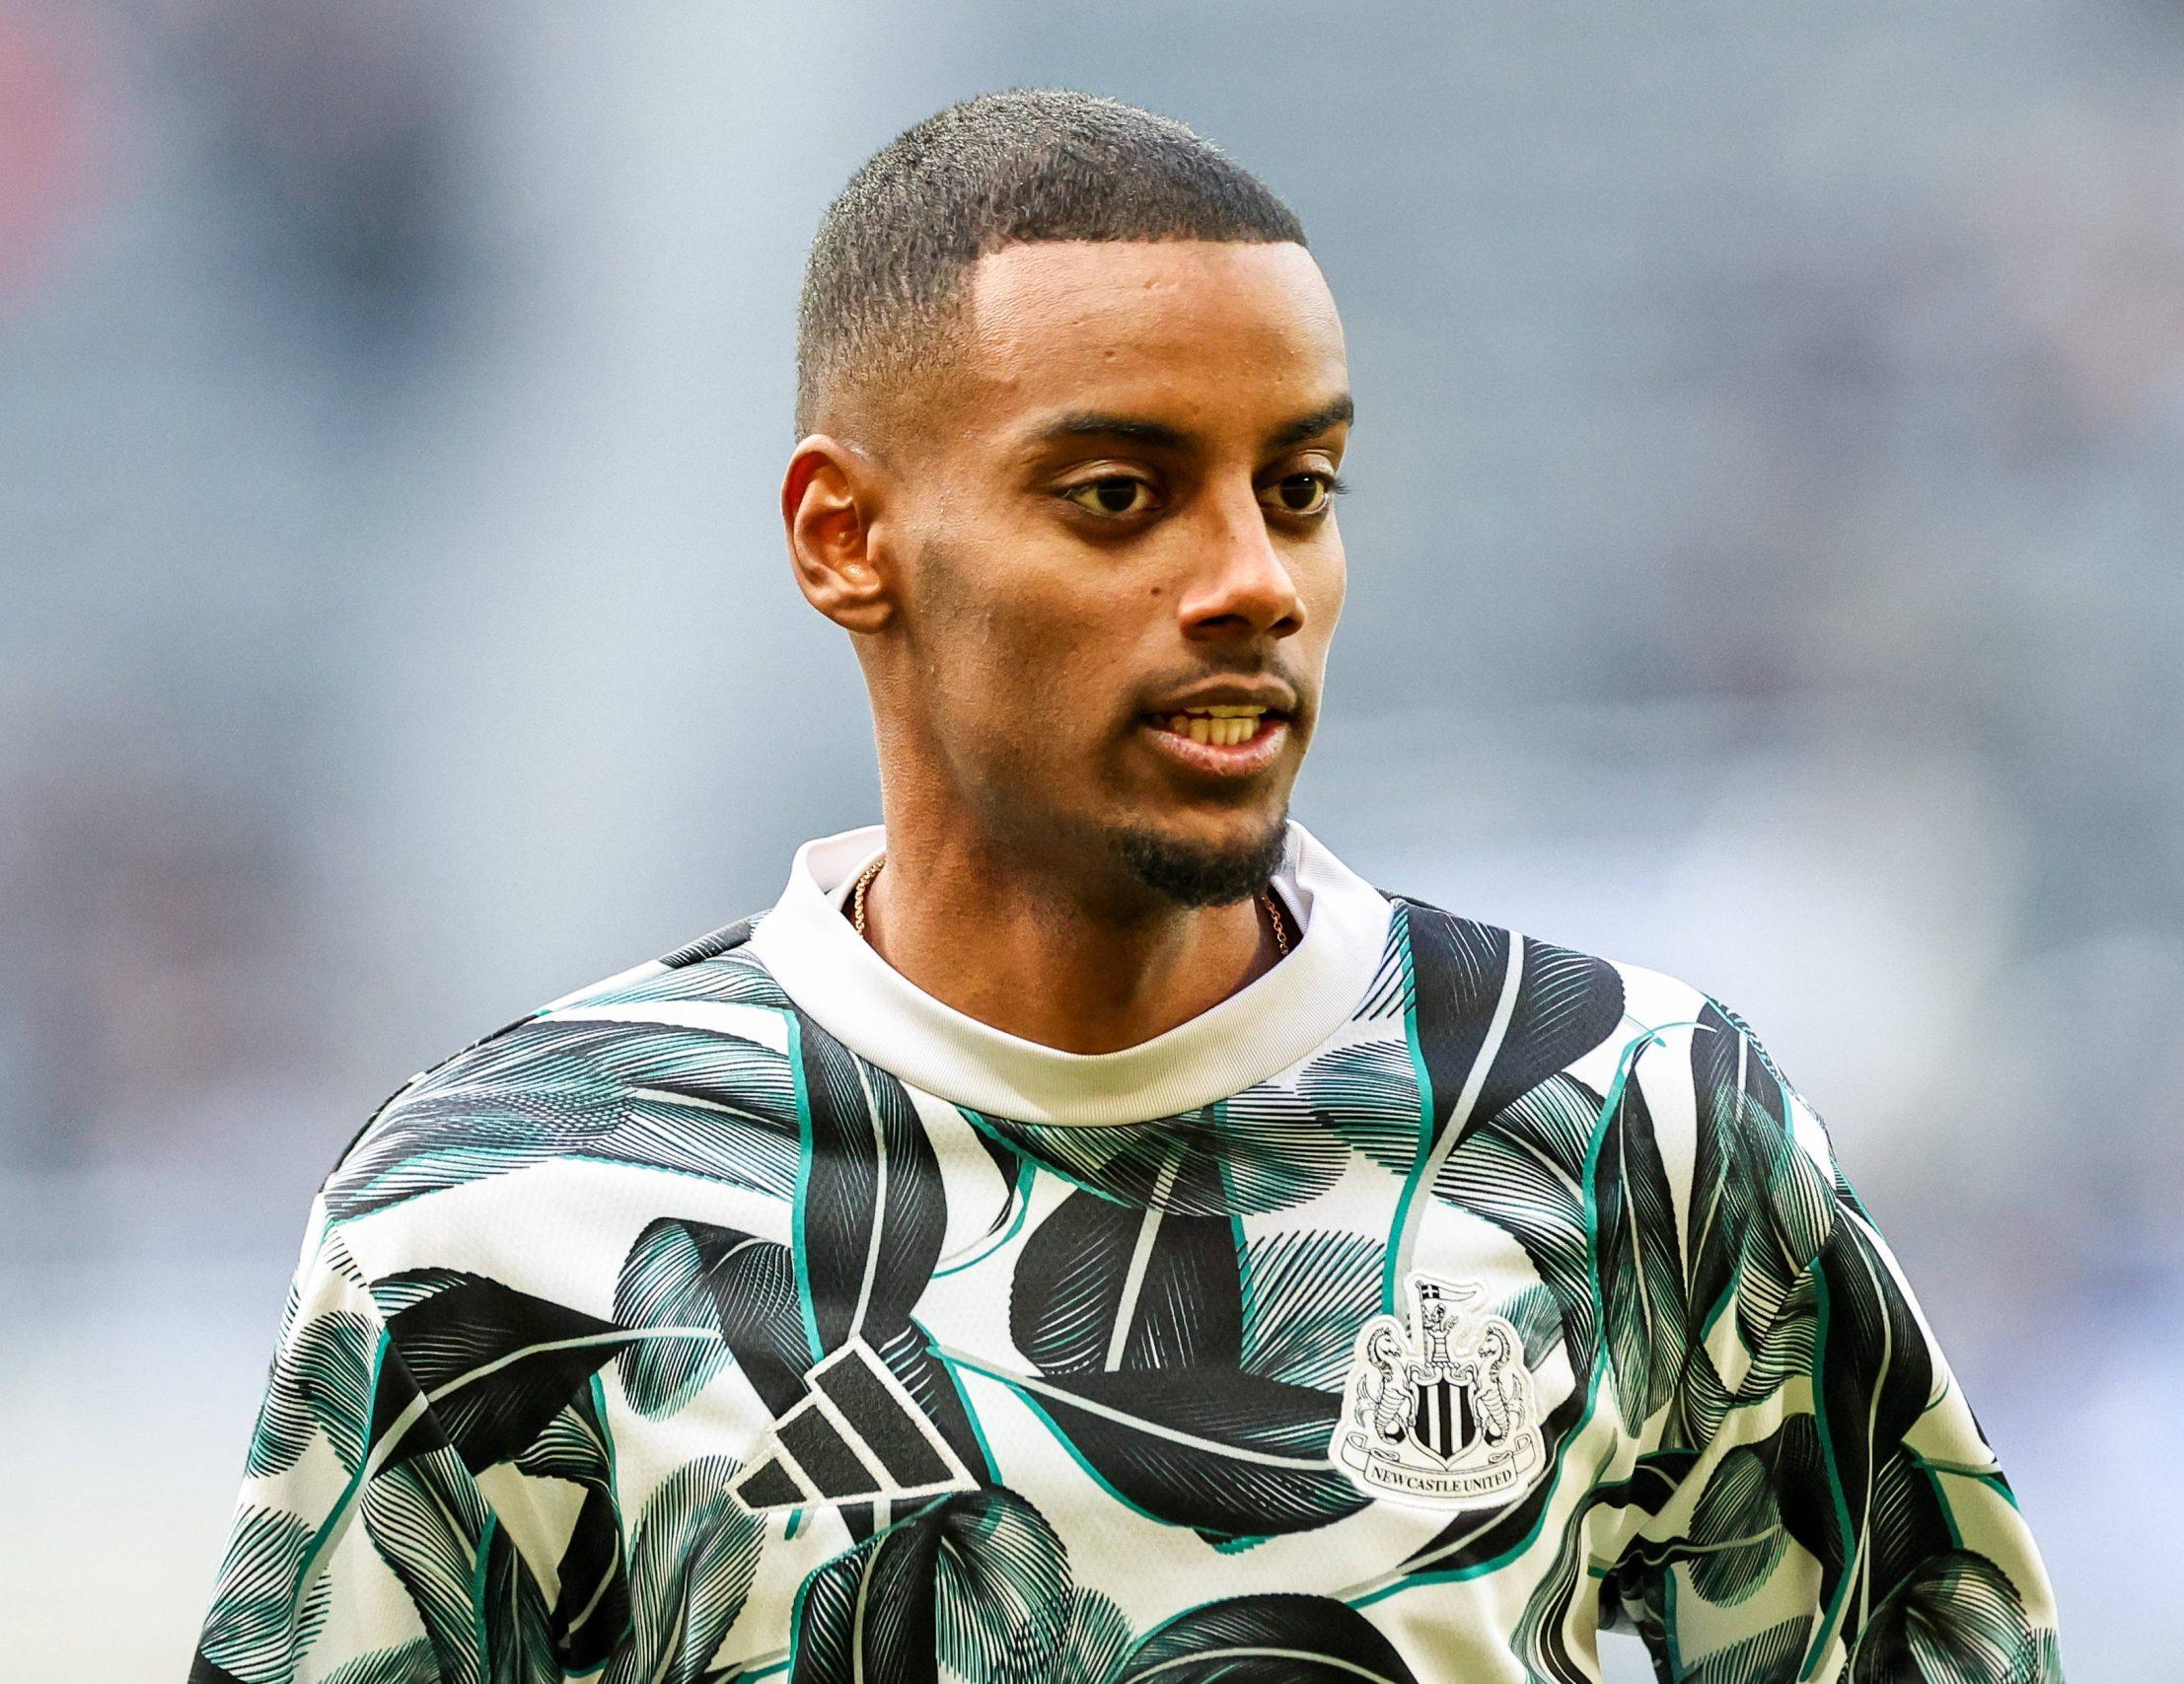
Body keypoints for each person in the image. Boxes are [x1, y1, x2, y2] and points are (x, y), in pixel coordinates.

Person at [189, 89, 2063, 1684]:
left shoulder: (1620, 1124)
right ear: (849, 539)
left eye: (1301, 486)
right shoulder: (500, 1216)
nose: (1252, 575)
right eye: (1118, 494)